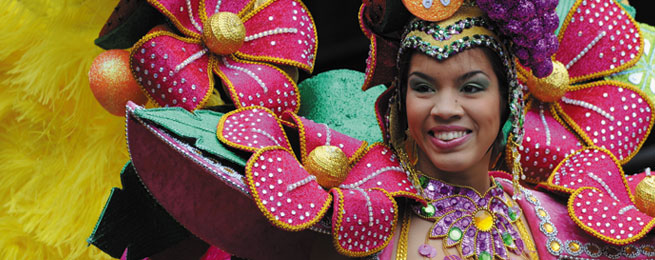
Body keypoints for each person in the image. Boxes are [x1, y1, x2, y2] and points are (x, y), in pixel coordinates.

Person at [88, 0, 655, 259]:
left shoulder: (560, 219)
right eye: (424, 87)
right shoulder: (361, 221)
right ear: (395, 107)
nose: (447, 109)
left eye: (472, 87)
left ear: (509, 102)